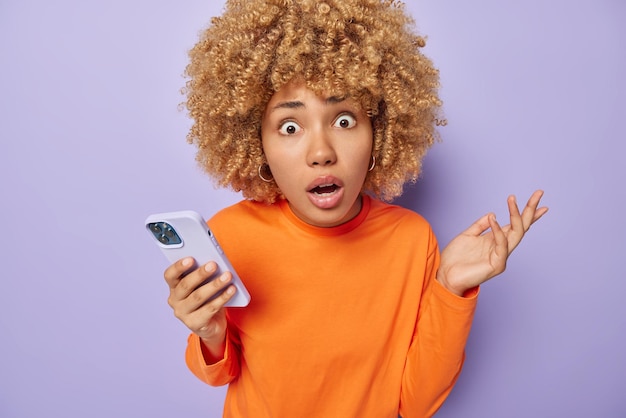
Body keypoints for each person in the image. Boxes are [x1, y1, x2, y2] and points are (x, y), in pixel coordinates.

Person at [162, 1, 548, 417]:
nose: (322, 152)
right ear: (257, 144)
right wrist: (210, 332)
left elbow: (417, 404)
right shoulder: (232, 235)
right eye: (290, 127)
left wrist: (450, 289)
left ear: (378, 133)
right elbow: (218, 374)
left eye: (344, 120)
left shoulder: (411, 241)